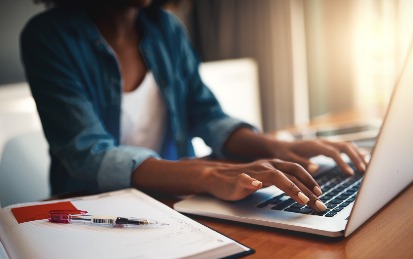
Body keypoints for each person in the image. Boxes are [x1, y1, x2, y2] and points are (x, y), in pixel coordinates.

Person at [21, 0, 367, 212]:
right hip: (92, 208)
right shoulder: (47, 37)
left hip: (174, 199)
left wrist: (278, 146)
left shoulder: (165, 28)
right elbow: (87, 153)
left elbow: (206, 114)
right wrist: (208, 174)